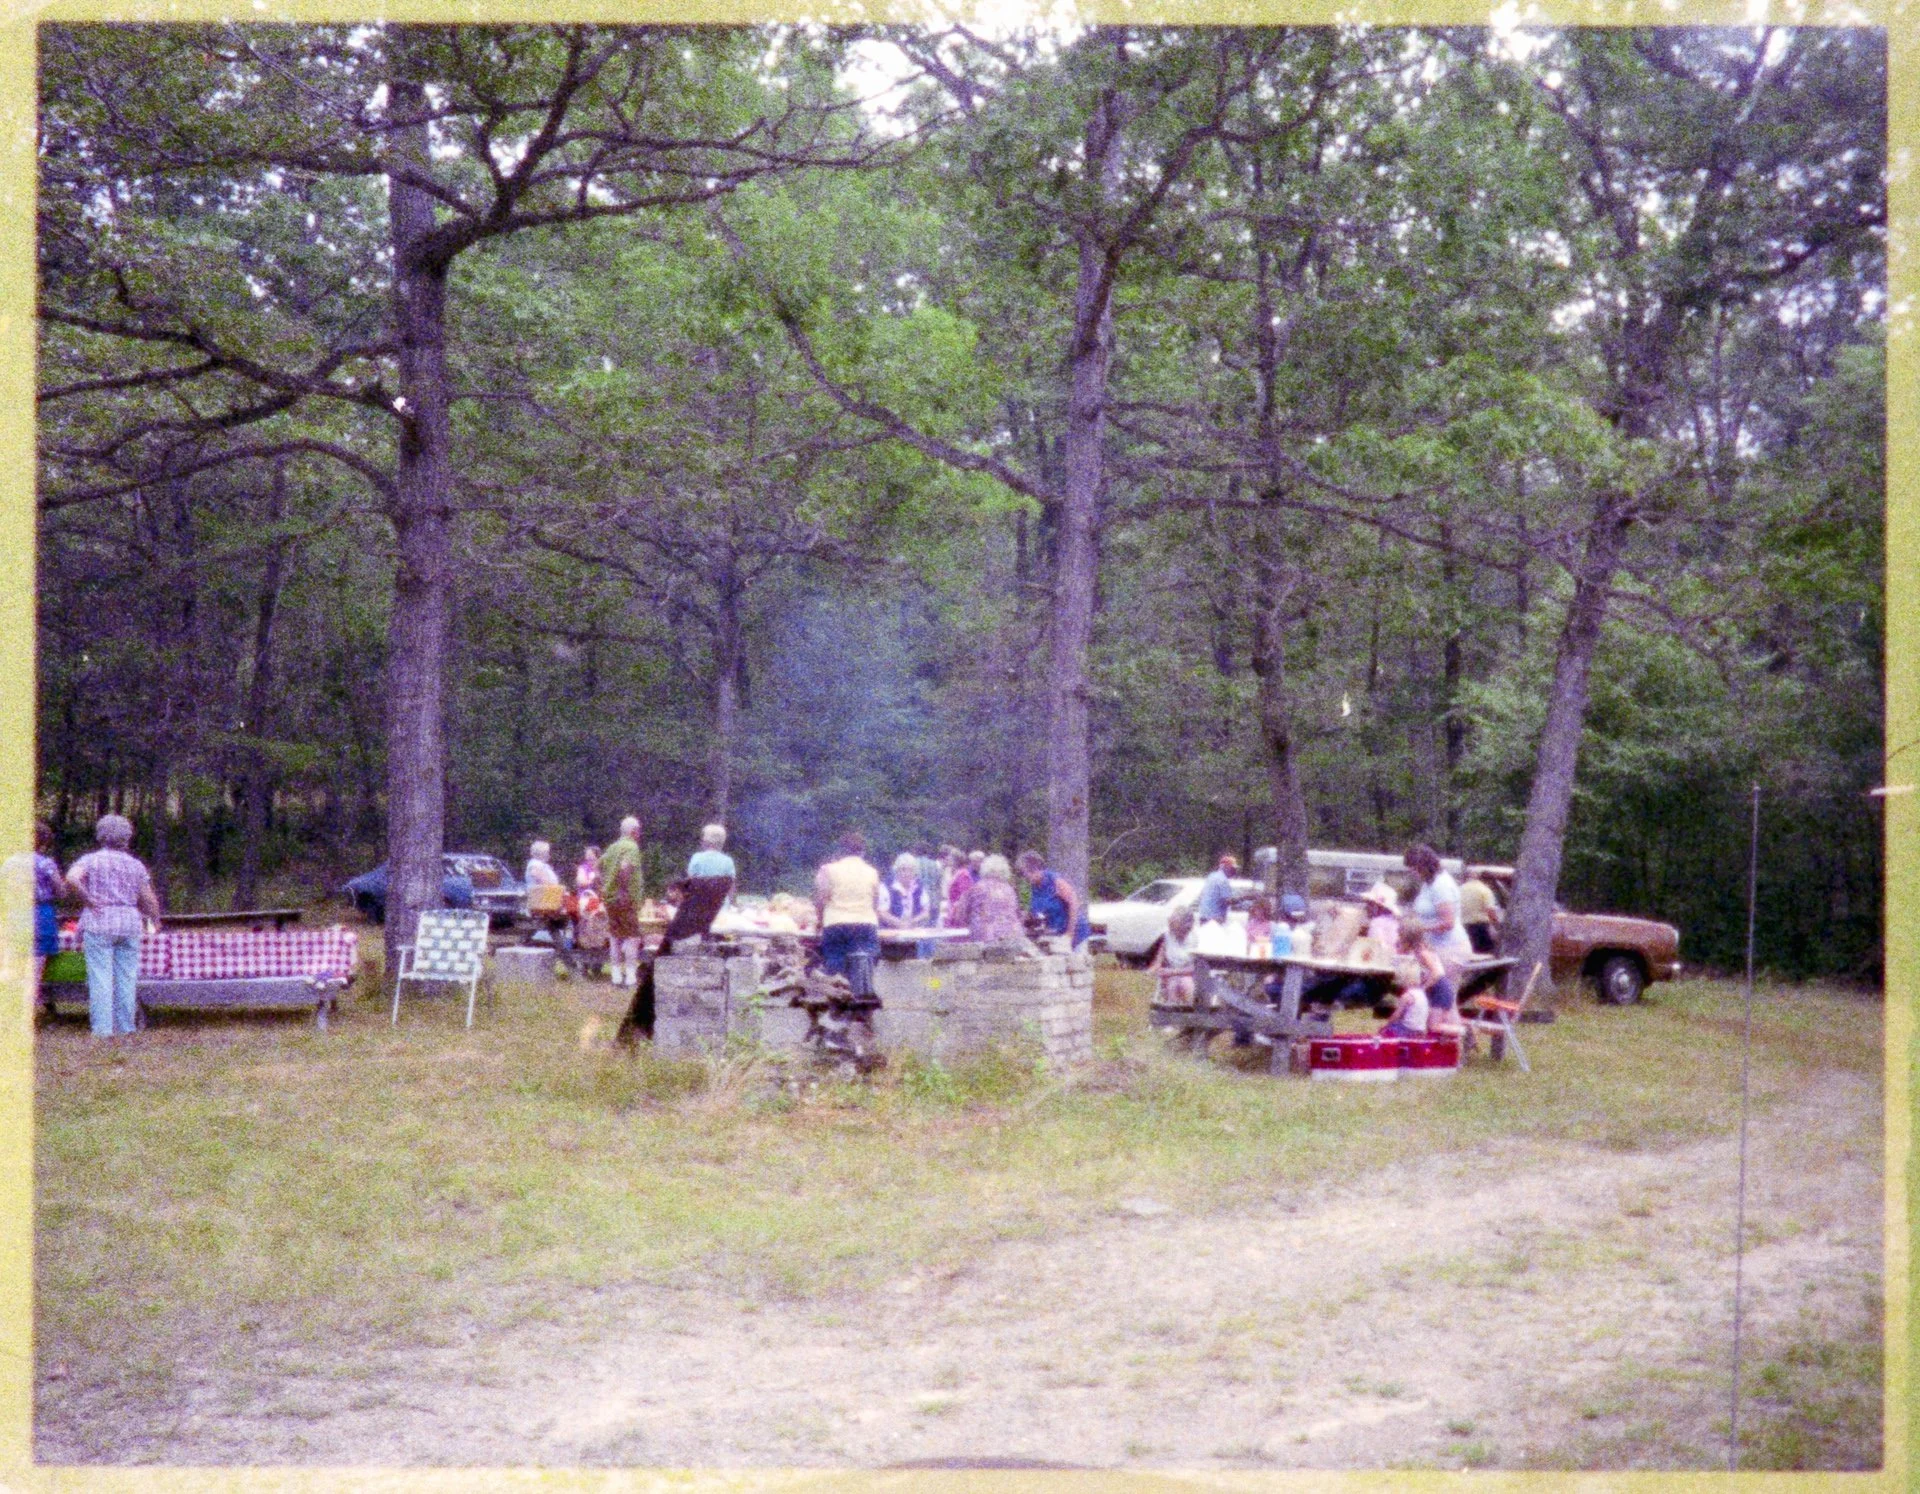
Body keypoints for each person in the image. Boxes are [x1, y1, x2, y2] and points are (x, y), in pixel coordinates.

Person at [65, 813, 160, 1038]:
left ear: (100, 835)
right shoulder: (135, 865)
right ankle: (126, 1027)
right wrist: (155, 920)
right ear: (127, 837)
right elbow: (148, 898)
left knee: (100, 977)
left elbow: (71, 878)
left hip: (100, 921)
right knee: (127, 977)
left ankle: (103, 1030)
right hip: (129, 922)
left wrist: (88, 899)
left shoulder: (90, 860)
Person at [813, 831, 883, 984]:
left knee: (835, 965)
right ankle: (863, 990)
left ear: (841, 851)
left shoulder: (828, 870)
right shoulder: (872, 872)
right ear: (862, 851)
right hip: (865, 923)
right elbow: (876, 902)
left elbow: (821, 900)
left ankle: (838, 991)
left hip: (836, 923)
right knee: (866, 963)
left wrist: (819, 921)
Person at [1405, 844, 1474, 969]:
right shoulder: (1428, 884)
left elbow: (1448, 923)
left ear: (1424, 865)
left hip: (1449, 949)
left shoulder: (1441, 885)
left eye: (1414, 868)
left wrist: (1418, 928)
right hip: (1434, 947)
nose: (1412, 872)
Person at [599, 817, 645, 987]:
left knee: (615, 936)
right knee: (633, 937)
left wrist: (603, 886)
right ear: (634, 831)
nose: (640, 834)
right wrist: (623, 891)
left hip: (610, 899)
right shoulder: (631, 847)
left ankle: (616, 975)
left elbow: (598, 867)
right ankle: (631, 976)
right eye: (638, 830)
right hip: (625, 899)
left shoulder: (612, 847)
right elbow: (625, 868)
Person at [1015, 850, 1090, 950]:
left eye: (1024, 873)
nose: (1024, 877)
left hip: (1075, 933)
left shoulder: (1054, 881)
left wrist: (1069, 934)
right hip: (1056, 934)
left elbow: (1074, 904)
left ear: (1034, 869)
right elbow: (1037, 910)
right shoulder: (1034, 886)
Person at [32, 822, 69, 1019]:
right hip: (40, 913)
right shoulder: (46, 864)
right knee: (35, 968)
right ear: (44, 842)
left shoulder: (8, 863)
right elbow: (61, 891)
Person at [1400, 922, 1461, 1035]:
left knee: (1434, 1026)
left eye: (1400, 934)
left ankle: (1463, 1031)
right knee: (1430, 1023)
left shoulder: (1423, 953)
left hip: (1440, 990)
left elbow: (1437, 973)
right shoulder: (1417, 951)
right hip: (1435, 990)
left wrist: (1423, 988)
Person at [959, 854, 1027, 945]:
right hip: (1013, 936)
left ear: (984, 869)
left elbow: (962, 914)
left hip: (985, 937)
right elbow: (1016, 912)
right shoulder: (1010, 889)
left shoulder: (976, 888)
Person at [1150, 905, 1198, 1006]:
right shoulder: (1168, 935)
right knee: (1172, 984)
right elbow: (1160, 957)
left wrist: (1172, 972)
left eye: (1177, 929)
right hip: (1171, 974)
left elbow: (1198, 968)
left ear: (1187, 927)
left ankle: (1188, 1012)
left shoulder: (1196, 939)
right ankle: (1172, 1011)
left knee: (1187, 984)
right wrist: (1156, 968)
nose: (1173, 932)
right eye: (1172, 928)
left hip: (1190, 974)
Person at [1458, 869, 1503, 955]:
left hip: (1463, 928)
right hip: (1480, 928)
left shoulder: (1460, 889)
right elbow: (1490, 911)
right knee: (1485, 955)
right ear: (1489, 881)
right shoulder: (1484, 890)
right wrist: (1497, 926)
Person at [1195, 853, 1238, 924]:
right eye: (1232, 868)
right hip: (1215, 919)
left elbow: (1203, 895)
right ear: (1225, 867)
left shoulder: (1212, 876)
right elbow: (1228, 901)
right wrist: (1245, 898)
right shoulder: (1223, 880)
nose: (1234, 871)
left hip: (1203, 916)